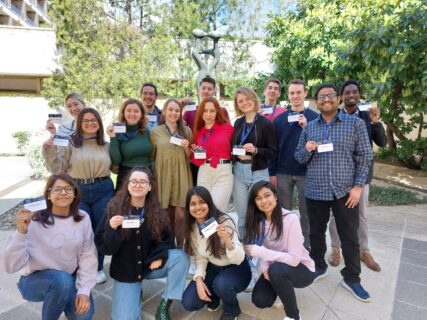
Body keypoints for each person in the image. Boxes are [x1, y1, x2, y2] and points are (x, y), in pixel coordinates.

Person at [295, 84, 373, 302]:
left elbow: (365, 157)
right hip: (315, 190)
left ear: (337, 99)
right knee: (316, 233)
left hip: (345, 192)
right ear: (316, 101)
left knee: (349, 236)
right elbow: (299, 157)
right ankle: (318, 266)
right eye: (321, 97)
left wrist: (358, 187)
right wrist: (307, 149)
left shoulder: (355, 123)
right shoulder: (309, 127)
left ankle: (352, 277)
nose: (326, 99)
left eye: (330, 96)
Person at [95, 167, 190, 320]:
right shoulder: (114, 208)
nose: (137, 185)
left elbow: (167, 239)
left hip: (149, 265)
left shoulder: (156, 210)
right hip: (127, 272)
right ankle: (134, 292)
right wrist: (111, 229)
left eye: (142, 182)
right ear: (127, 184)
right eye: (133, 181)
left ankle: (165, 303)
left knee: (181, 257)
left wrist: (159, 256)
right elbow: (104, 248)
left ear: (149, 187)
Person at [2, 173, 97, 320]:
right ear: (48, 194)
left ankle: (62, 297)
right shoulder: (33, 220)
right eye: (58, 189)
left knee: (83, 315)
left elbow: (88, 256)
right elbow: (10, 266)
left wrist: (84, 291)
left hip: (69, 277)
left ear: (74, 194)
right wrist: (21, 232)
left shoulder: (83, 218)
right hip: (34, 280)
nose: (64, 193)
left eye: (68, 189)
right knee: (62, 281)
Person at [43, 108, 114, 284]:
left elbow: (117, 167)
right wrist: (49, 150)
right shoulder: (70, 145)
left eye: (93, 120)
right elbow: (58, 168)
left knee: (100, 230)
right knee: (79, 231)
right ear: (79, 124)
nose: (90, 123)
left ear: (99, 123)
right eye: (86, 121)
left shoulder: (106, 145)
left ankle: (97, 268)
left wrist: (117, 140)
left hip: (103, 188)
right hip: (78, 189)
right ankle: (78, 268)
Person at [328, 80, 387, 271]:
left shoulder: (367, 115)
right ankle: (336, 249)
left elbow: (382, 142)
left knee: (361, 215)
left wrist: (376, 122)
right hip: (339, 174)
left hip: (361, 176)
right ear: (341, 97)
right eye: (347, 92)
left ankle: (364, 250)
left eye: (354, 92)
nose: (351, 95)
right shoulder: (334, 116)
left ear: (359, 95)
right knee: (336, 214)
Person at [244, 180, 315, 320]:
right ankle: (282, 292)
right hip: (277, 267)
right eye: (258, 198)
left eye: (267, 195)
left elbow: (294, 260)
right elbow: (265, 249)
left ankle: (293, 315)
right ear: (255, 203)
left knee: (277, 270)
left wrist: (260, 252)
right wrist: (265, 268)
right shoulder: (260, 221)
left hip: (302, 269)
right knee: (260, 300)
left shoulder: (291, 219)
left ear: (275, 196)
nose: (264, 201)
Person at [182, 186, 251, 320]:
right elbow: (200, 257)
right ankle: (214, 296)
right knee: (189, 302)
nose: (198, 207)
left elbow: (238, 258)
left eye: (202, 202)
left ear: (209, 203)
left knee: (221, 284)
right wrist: (199, 279)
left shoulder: (224, 221)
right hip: (213, 267)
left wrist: (226, 239)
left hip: (236, 268)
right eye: (193, 204)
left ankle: (232, 310)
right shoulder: (192, 227)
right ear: (188, 207)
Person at [269, 80, 318, 249]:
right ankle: (285, 243)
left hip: (307, 172)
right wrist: (272, 172)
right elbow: (274, 148)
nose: (295, 96)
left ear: (305, 93)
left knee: (307, 213)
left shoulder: (315, 118)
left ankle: (307, 245)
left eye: (299, 92)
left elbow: (319, 144)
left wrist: (307, 127)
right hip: (283, 172)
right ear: (288, 96)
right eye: (292, 93)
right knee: (283, 213)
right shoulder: (280, 120)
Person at [231, 87, 277, 239]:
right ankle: (245, 248)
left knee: (261, 210)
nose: (245, 103)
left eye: (247, 99)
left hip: (258, 171)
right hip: (238, 171)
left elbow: (273, 152)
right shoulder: (237, 123)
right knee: (243, 213)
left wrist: (256, 150)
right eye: (240, 101)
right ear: (237, 105)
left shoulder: (266, 124)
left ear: (254, 99)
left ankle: (262, 245)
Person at [150, 98, 193, 247]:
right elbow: (152, 156)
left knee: (181, 215)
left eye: (177, 110)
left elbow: (190, 157)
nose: (174, 113)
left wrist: (187, 147)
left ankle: (181, 246)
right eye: (171, 109)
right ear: (164, 111)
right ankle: (169, 247)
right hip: (163, 176)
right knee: (167, 214)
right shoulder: (155, 132)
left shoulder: (186, 131)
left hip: (182, 175)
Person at [182, 76, 230, 185]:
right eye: (204, 88)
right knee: (200, 195)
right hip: (197, 159)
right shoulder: (190, 110)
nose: (206, 91)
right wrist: (181, 107)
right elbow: (178, 127)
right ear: (199, 89)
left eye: (209, 89)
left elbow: (228, 134)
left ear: (214, 91)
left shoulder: (222, 111)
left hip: (216, 160)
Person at [191, 97, 234, 213]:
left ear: (217, 112)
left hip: (223, 172)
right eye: (205, 111)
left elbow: (236, 147)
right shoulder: (198, 132)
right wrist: (197, 153)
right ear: (200, 113)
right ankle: (205, 232)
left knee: (217, 210)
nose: (208, 114)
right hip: (204, 172)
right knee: (203, 210)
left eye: (212, 111)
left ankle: (221, 231)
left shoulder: (227, 128)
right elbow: (197, 162)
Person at [108, 98, 153, 190]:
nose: (132, 114)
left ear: (141, 114)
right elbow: (116, 160)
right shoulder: (117, 132)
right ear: (123, 113)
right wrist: (113, 137)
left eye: (136, 111)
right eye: (129, 110)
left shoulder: (148, 132)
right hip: (126, 175)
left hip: (146, 174)